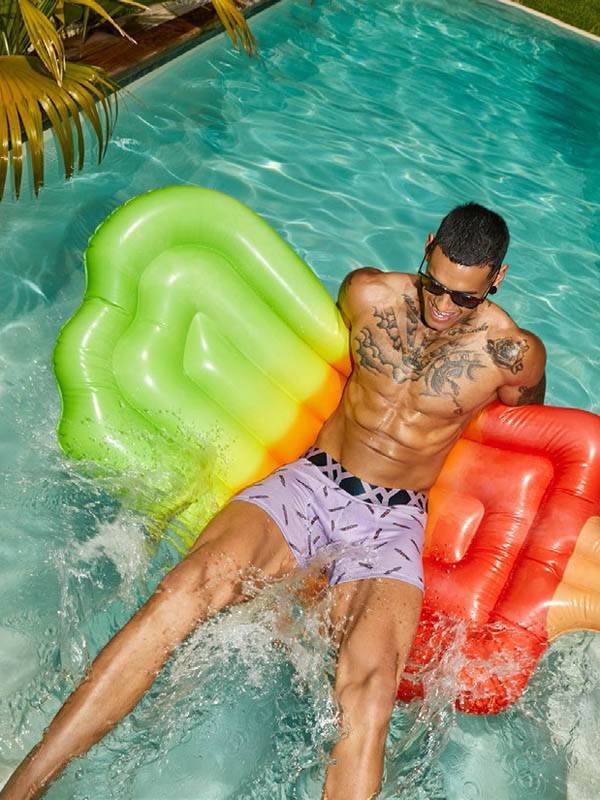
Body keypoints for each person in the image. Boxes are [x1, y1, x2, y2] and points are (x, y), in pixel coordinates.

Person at [0, 202, 546, 800]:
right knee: (183, 590)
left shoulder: (512, 353)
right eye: (433, 284)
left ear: (498, 278)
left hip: (392, 522)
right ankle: (23, 788)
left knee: (368, 693)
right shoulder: (367, 294)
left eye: (463, 298)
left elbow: (527, 432)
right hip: (311, 482)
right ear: (428, 245)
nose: (441, 307)